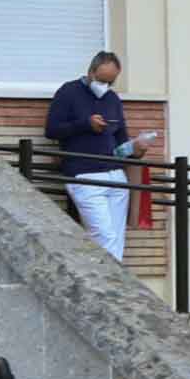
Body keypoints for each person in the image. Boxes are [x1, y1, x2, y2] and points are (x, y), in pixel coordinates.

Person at [45, 49, 138, 262]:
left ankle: (112, 284)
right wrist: (85, 124)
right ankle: (108, 286)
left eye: (110, 82)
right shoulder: (68, 92)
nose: (104, 86)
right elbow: (52, 130)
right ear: (90, 71)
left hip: (116, 176)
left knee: (116, 238)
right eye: (101, 80)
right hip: (84, 175)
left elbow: (120, 138)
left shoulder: (112, 99)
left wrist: (135, 148)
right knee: (103, 235)